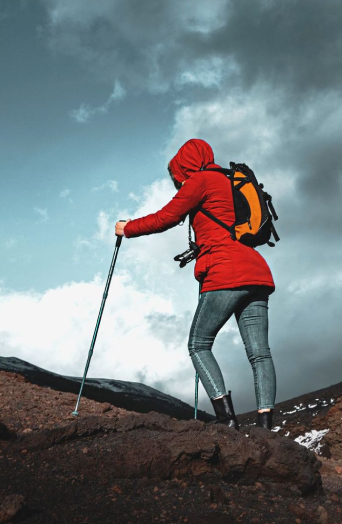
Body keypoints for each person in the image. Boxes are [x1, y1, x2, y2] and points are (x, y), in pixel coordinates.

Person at [115, 138, 277, 430]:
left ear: (183, 165)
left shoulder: (201, 180)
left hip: (225, 271)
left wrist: (128, 228)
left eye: (176, 172)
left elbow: (167, 217)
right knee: (260, 353)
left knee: (198, 344)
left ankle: (226, 419)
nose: (176, 179)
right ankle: (266, 425)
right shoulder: (230, 180)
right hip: (256, 272)